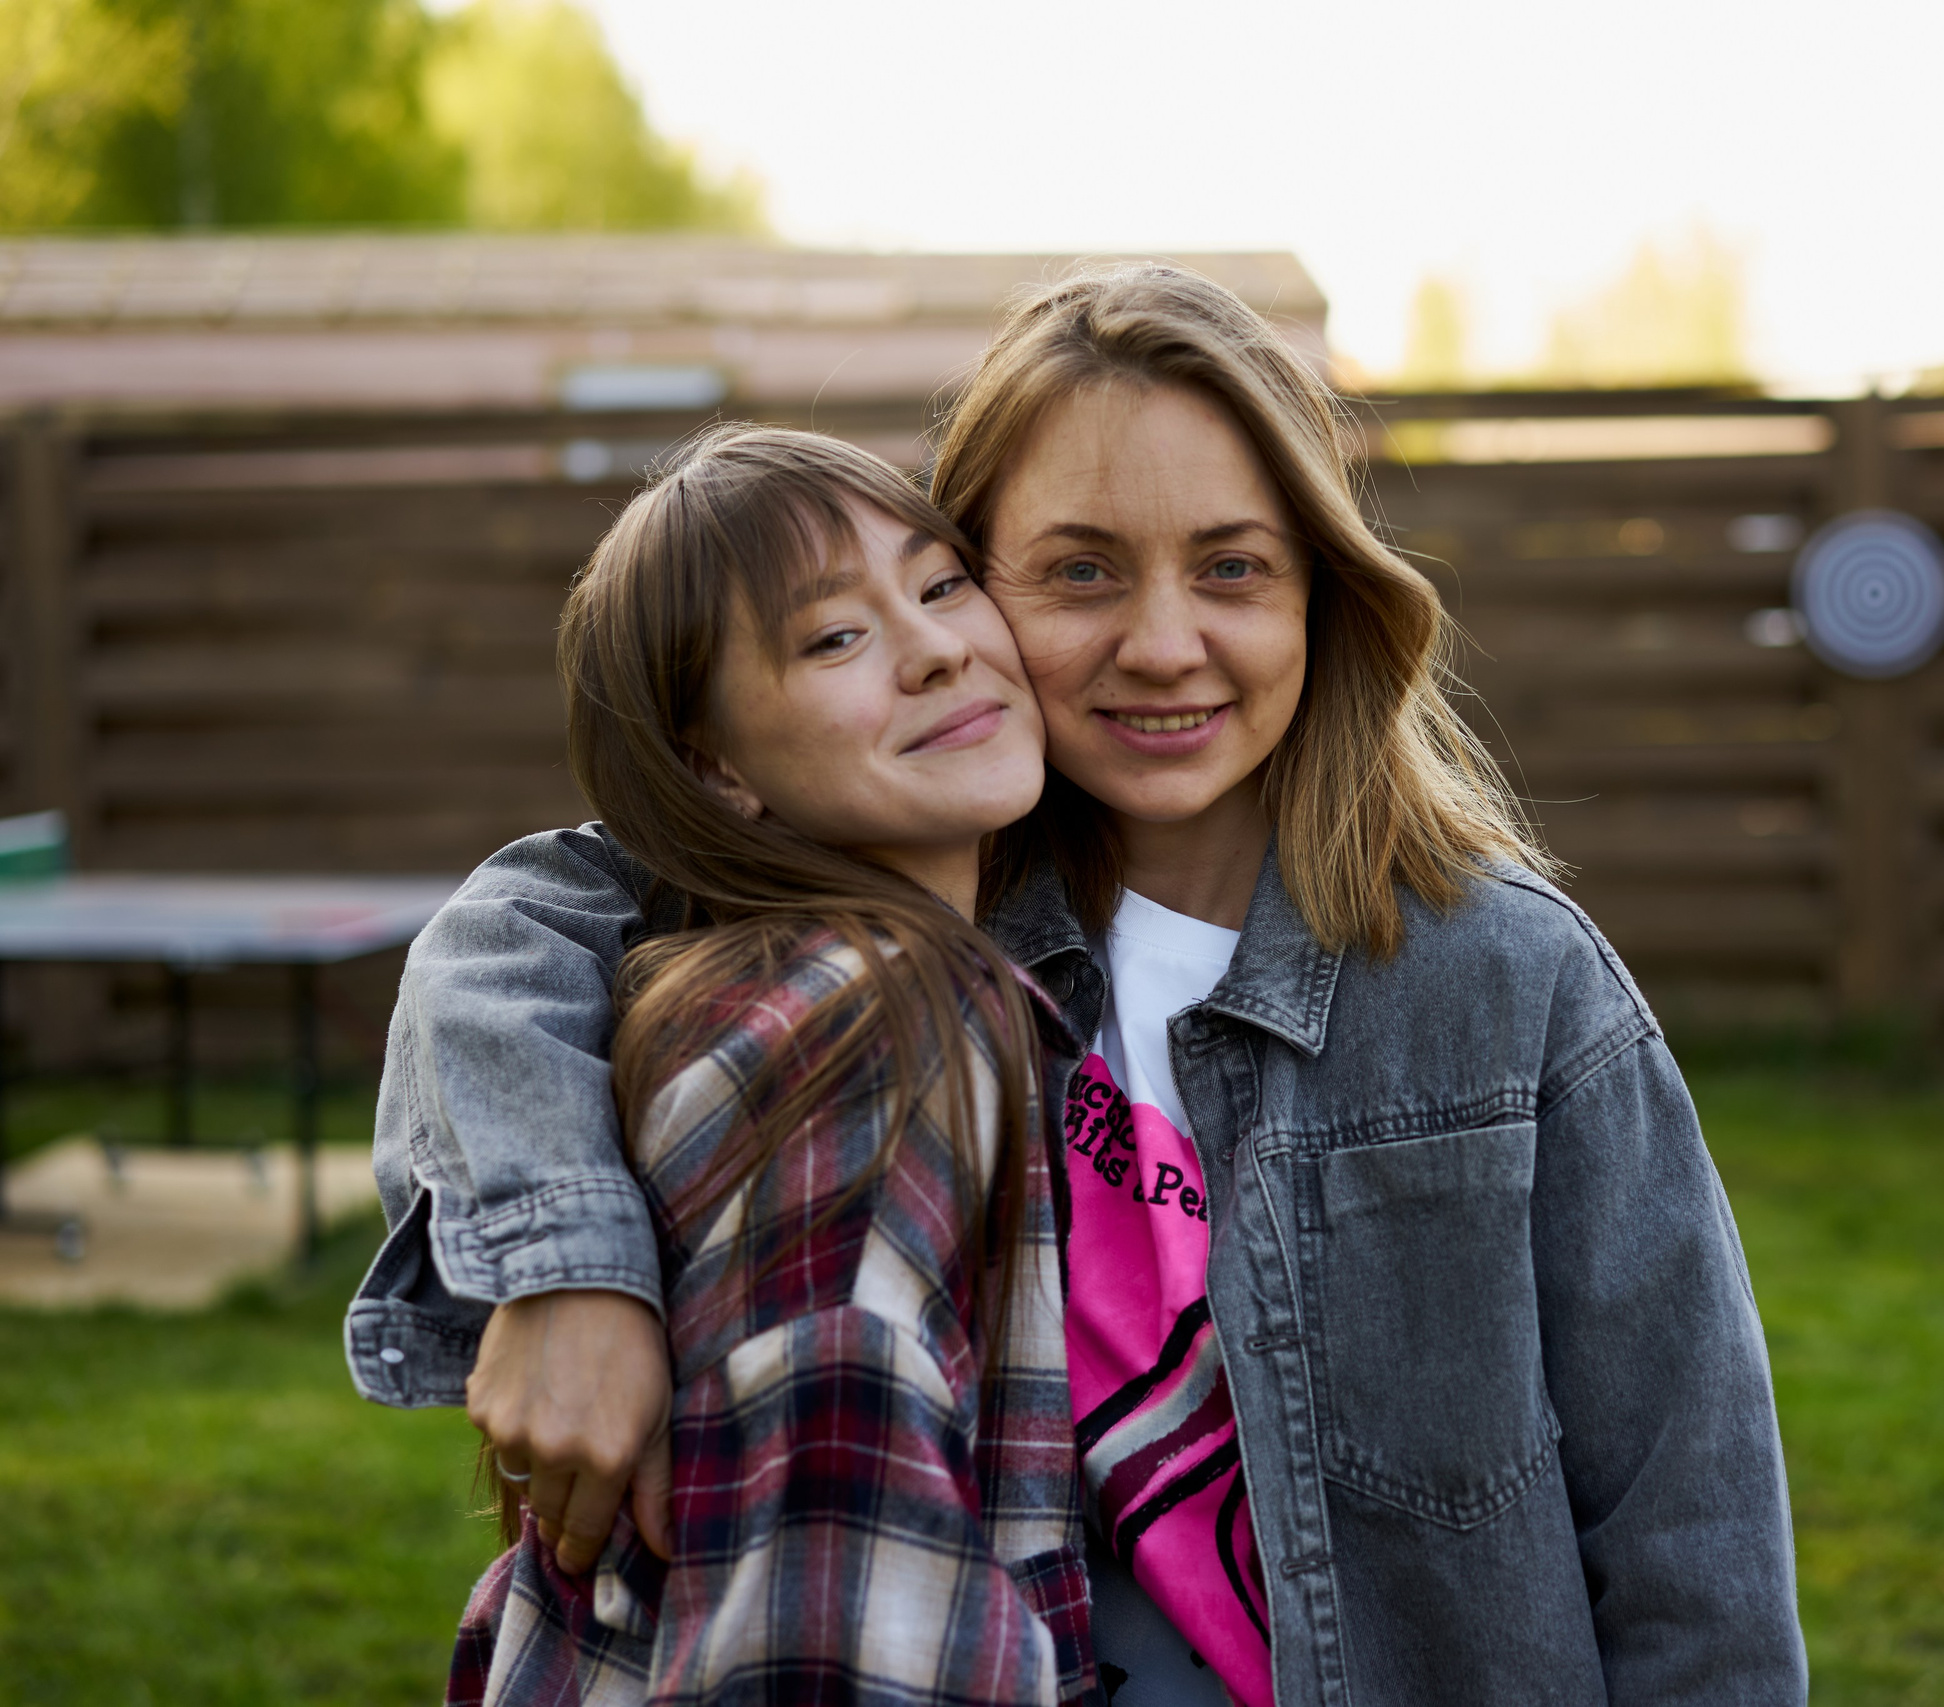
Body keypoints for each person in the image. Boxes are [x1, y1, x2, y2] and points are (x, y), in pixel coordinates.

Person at [349, 263, 1807, 1706]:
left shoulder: (1512, 984)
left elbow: (1696, 1543)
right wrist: (568, 1267)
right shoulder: (918, 907)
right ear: (978, 582)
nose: (1164, 643)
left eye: (1233, 566)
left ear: (1321, 590)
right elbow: (520, 918)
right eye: (1081, 569)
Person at [419, 425, 1094, 1705]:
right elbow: (826, 1624)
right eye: (835, 637)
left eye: (943, 583)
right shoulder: (875, 1020)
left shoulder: (749, 986)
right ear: (714, 766)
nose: (941, 645)